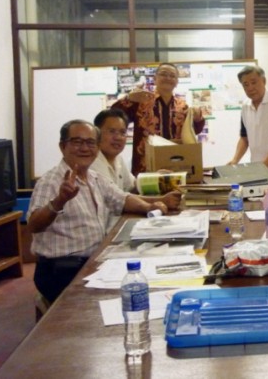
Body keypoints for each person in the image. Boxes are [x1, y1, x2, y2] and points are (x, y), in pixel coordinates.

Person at [27, 120, 177, 304]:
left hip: (92, 262)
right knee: (131, 296)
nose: (84, 148)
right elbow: (33, 225)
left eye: (90, 143)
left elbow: (122, 198)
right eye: (77, 142)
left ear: (97, 148)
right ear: (62, 146)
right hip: (62, 271)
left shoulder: (94, 178)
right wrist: (59, 201)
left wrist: (149, 207)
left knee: (152, 277)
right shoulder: (50, 181)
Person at [91, 108, 182, 226]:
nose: (118, 137)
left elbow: (133, 186)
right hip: (106, 228)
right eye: (112, 131)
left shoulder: (117, 158)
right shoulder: (94, 162)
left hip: (119, 221)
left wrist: (156, 177)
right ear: (96, 134)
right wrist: (161, 200)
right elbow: (119, 198)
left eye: (122, 132)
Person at [112, 62, 205, 175]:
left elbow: (194, 131)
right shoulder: (142, 101)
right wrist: (128, 98)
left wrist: (198, 118)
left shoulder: (182, 106)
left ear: (176, 82)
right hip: (146, 165)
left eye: (172, 76)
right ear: (155, 78)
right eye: (164, 74)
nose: (168, 78)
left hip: (175, 165)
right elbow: (114, 116)